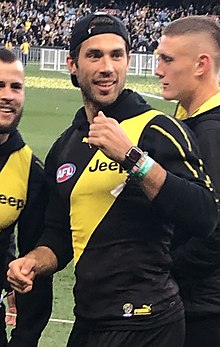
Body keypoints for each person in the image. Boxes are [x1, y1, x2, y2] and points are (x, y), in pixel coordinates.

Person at [7, 13, 218, 347]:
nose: (107, 66)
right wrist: (32, 262)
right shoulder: (65, 147)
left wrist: (132, 158)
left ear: (128, 61)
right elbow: (59, 237)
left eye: (116, 55)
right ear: (72, 65)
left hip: (151, 323)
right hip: (90, 320)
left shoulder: (158, 129)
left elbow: (205, 216)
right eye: (95, 55)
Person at [155, 15, 220, 347]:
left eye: (167, 59)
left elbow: (215, 234)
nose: (157, 70)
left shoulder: (210, 133)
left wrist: (159, 269)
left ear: (201, 65)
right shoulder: (190, 126)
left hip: (203, 313)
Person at [0, 48, 52, 347]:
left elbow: (35, 267)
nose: (8, 95)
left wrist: (24, 339)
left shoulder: (30, 171)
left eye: (15, 87)